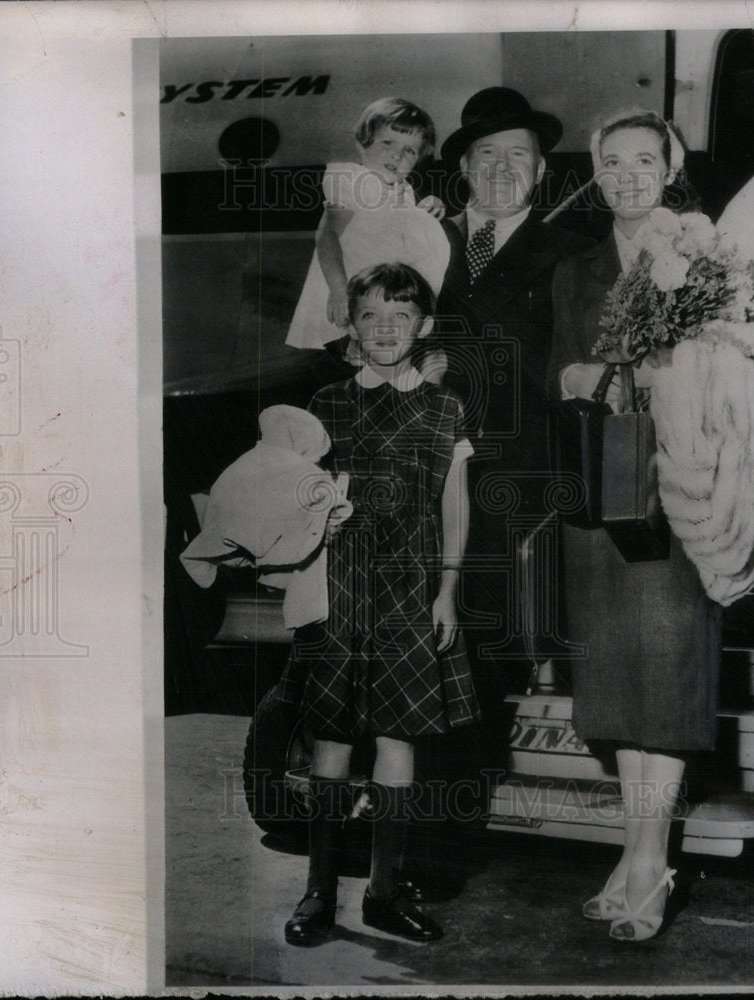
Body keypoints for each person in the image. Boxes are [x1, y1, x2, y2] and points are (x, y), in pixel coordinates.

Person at [548, 109, 741, 942]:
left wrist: (664, 369)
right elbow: (557, 367)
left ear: (670, 168)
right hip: (604, 493)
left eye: (644, 161)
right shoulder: (574, 267)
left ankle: (649, 859)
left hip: (681, 492)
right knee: (620, 691)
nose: (628, 175)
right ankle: (633, 855)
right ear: (595, 171)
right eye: (612, 161)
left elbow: (741, 359)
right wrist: (582, 372)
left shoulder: (707, 256)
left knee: (663, 687)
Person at [277, 262, 479, 946]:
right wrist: (317, 522)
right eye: (370, 315)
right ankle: (317, 896)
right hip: (340, 590)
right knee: (332, 739)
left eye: (400, 316)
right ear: (351, 328)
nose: (385, 327)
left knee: (399, 740)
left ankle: (383, 895)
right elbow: (303, 496)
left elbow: (455, 503)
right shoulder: (327, 404)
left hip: (412, 591)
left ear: (421, 326)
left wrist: (447, 589)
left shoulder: (445, 408)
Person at [435, 87, 593, 722]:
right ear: (465, 169)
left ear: (543, 170)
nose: (502, 169)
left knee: (501, 634)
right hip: (429, 469)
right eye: (487, 154)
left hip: (527, 474)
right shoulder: (419, 243)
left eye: (519, 155)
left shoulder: (573, 252)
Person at [285, 98, 449, 353]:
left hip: (379, 306)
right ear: (363, 144)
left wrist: (428, 206)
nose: (397, 154)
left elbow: (398, 232)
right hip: (346, 302)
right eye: (387, 142)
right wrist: (340, 291)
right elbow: (327, 235)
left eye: (410, 151)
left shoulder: (404, 191)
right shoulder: (353, 179)